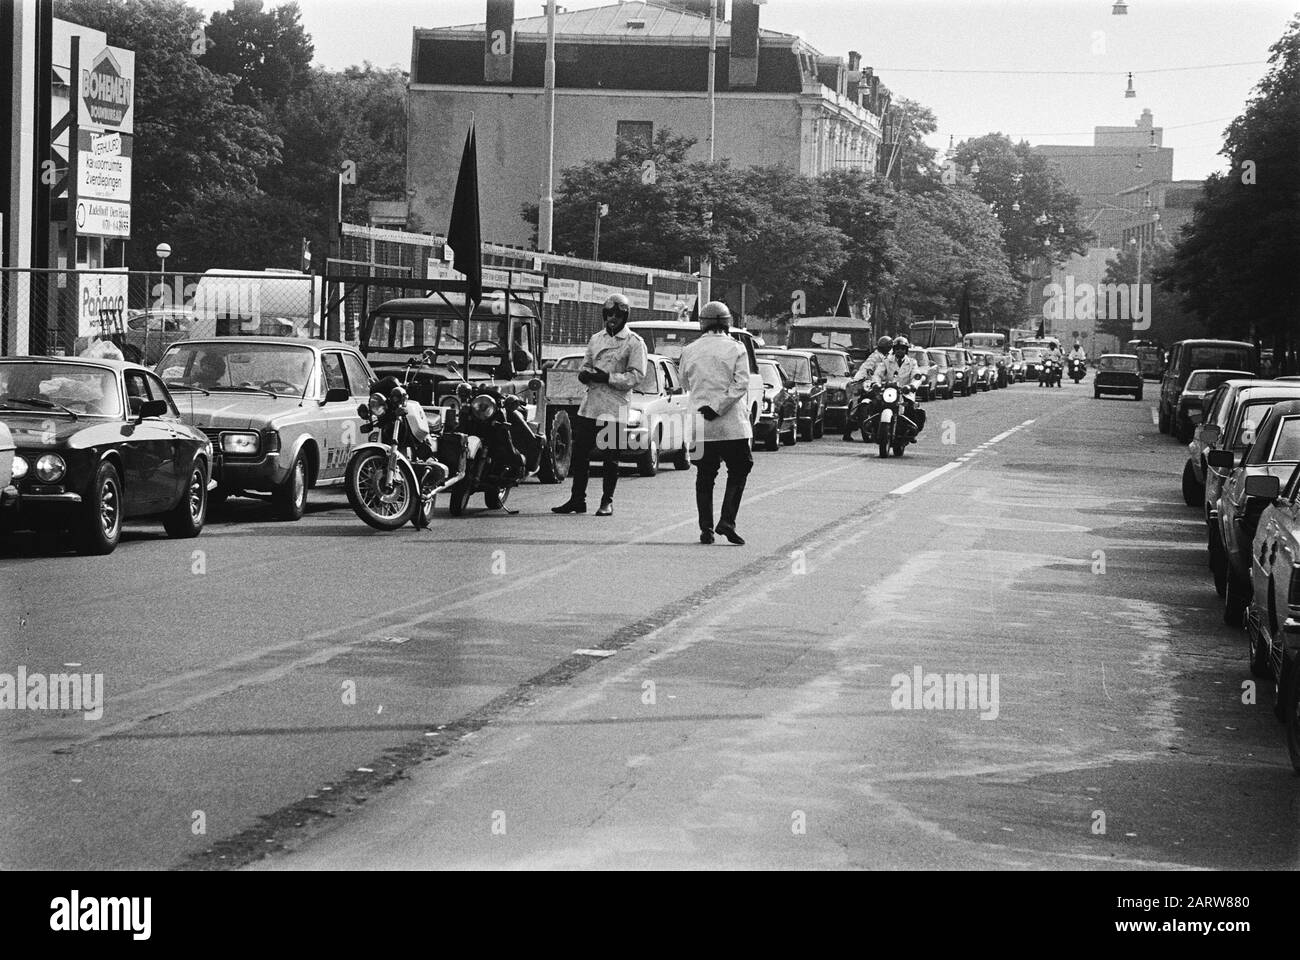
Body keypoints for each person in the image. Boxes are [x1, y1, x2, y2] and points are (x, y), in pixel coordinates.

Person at [552, 294, 647, 517]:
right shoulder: (596, 339)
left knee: (610, 457)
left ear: (625, 317)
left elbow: (637, 376)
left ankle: (607, 501)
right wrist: (584, 375)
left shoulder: (634, 342)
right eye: (609, 314)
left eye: (617, 315)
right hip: (591, 404)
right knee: (580, 453)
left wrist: (609, 378)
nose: (612, 319)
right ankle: (577, 499)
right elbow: (585, 364)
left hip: (615, 406)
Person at [680, 301, 752, 545]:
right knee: (740, 468)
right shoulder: (736, 348)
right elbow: (741, 384)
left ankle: (706, 529)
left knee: (704, 474)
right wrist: (719, 407)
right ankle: (727, 521)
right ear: (727, 323)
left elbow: (685, 383)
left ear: (703, 323)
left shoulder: (689, 349)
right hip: (731, 425)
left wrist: (706, 403)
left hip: (700, 424)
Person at [869, 336, 927, 434]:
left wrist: (912, 386)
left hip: (904, 392)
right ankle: (874, 427)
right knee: (876, 404)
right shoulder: (887, 361)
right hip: (888, 392)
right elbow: (878, 373)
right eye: (898, 349)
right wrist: (875, 383)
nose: (900, 351)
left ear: (906, 350)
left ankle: (910, 431)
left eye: (903, 349)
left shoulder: (912, 362)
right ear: (894, 350)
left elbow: (917, 376)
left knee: (911, 409)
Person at [843, 336, 894, 441]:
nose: (885, 349)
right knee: (856, 406)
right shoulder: (875, 357)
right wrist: (857, 379)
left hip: (886, 386)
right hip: (873, 385)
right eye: (883, 347)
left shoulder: (891, 358)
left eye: (887, 347)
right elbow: (865, 368)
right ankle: (847, 433)